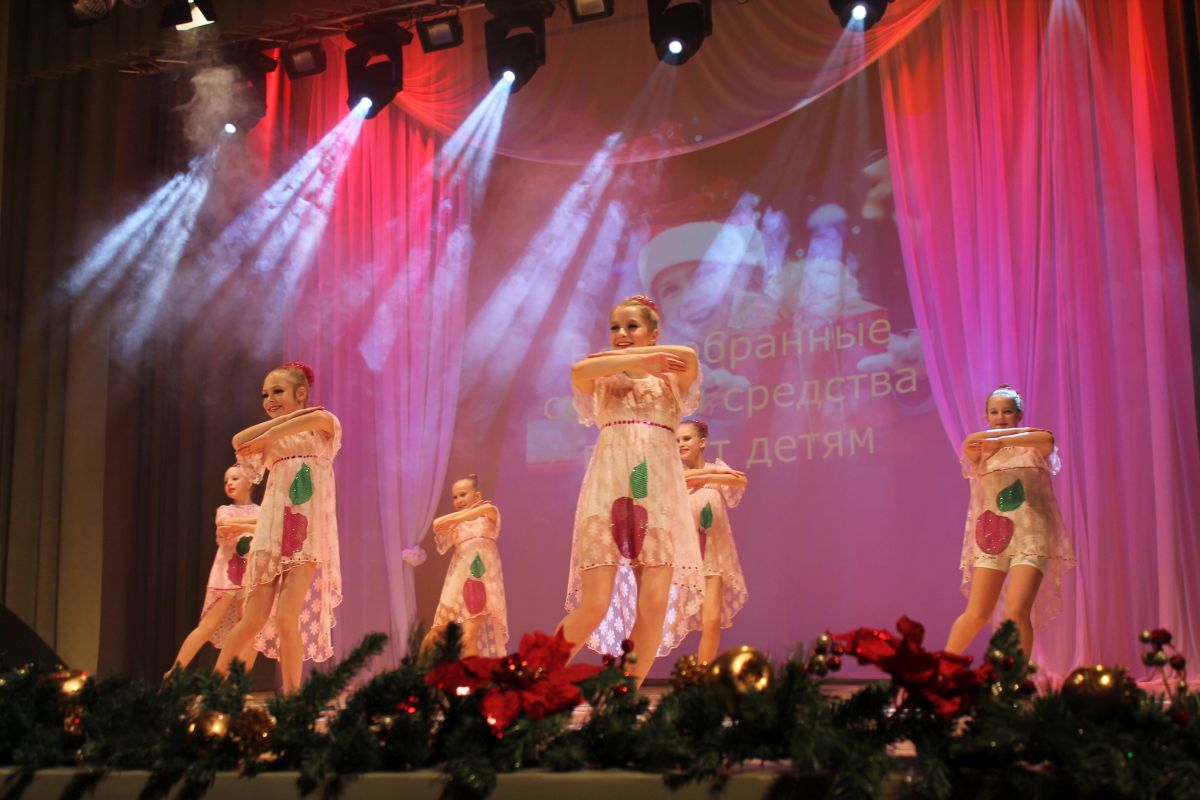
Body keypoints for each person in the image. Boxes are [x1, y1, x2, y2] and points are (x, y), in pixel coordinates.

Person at [555, 295, 703, 687]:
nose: (621, 333)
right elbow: (578, 370)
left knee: (653, 605)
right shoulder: (603, 374)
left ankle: (625, 693)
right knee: (594, 603)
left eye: (631, 326)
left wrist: (646, 360)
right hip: (608, 489)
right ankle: (535, 683)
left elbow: (688, 356)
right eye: (615, 327)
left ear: (654, 333)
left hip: (659, 496)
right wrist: (640, 358)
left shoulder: (670, 376)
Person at [215, 361, 342, 692]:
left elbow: (317, 417)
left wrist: (271, 433)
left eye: (277, 392)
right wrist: (276, 428)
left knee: (287, 618)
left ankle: (291, 698)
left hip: (305, 535)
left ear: (301, 393)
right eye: (265, 394)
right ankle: (214, 689)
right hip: (271, 533)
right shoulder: (275, 437)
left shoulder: (322, 425)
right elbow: (238, 440)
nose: (269, 400)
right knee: (252, 619)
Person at [945, 385, 1075, 656]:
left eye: (1007, 411)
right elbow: (971, 441)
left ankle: (1017, 678)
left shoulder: (1034, 446)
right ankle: (942, 668)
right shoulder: (981, 449)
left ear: (1019, 414)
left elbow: (1046, 437)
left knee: (1017, 611)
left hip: (1031, 535)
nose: (1000, 417)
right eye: (994, 412)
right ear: (986, 417)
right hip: (991, 536)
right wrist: (997, 441)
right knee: (977, 613)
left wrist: (1002, 441)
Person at [165, 465, 261, 678]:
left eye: (235, 478)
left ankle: (236, 684)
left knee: (252, 632)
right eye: (226, 480)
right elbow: (224, 523)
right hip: (226, 575)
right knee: (207, 626)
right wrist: (254, 525)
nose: (229, 483)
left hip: (250, 577)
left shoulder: (260, 510)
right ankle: (174, 673)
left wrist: (244, 526)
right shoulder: (224, 510)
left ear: (250, 482)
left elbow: (268, 525)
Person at [676, 419, 749, 664]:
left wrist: (711, 475)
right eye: (677, 440)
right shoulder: (673, 473)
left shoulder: (715, 471)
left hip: (711, 558)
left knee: (712, 621)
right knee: (658, 623)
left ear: (702, 442)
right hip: (680, 560)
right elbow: (680, 479)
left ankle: (702, 674)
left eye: (686, 438)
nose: (680, 444)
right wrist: (713, 474)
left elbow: (741, 480)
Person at [419, 474, 509, 659]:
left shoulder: (488, 516)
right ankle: (414, 672)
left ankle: (473, 676)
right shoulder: (458, 525)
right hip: (457, 582)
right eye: (455, 497)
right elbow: (437, 523)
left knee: (468, 638)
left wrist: (458, 517)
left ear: (477, 495)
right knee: (437, 632)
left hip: (479, 582)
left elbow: (486, 508)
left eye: (463, 494)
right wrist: (459, 518)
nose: (458, 500)